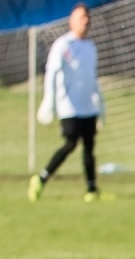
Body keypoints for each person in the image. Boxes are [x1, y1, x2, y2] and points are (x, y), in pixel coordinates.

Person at [29, 3, 102, 203]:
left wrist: (100, 105)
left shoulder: (90, 47)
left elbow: (93, 79)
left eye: (87, 17)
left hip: (88, 107)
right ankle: (41, 178)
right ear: (71, 21)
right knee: (70, 144)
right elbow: (52, 73)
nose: (85, 21)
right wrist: (49, 101)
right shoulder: (63, 45)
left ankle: (92, 189)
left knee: (89, 147)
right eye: (81, 17)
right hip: (69, 106)